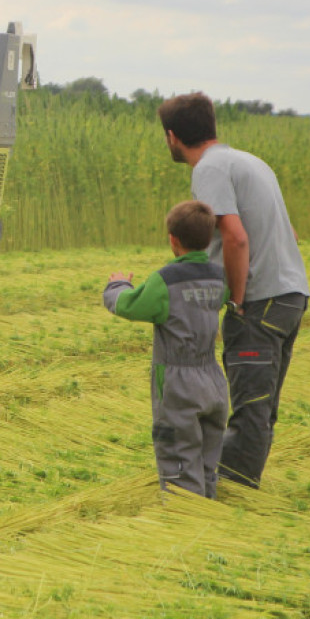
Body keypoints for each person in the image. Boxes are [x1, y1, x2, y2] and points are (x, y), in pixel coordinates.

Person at [158, 92, 310, 488]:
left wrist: (237, 301)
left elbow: (236, 238)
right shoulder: (250, 161)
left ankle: (232, 494)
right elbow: (289, 232)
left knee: (248, 410)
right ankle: (237, 484)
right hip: (291, 295)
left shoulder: (209, 168)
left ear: (172, 137)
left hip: (260, 299)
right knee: (262, 407)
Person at [103, 200, 229, 499]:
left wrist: (117, 285)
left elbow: (128, 305)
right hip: (213, 378)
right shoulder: (218, 276)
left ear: (173, 240)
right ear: (209, 238)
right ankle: (211, 517)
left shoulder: (166, 280)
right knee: (206, 462)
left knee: (178, 462)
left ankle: (186, 522)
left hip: (177, 385)